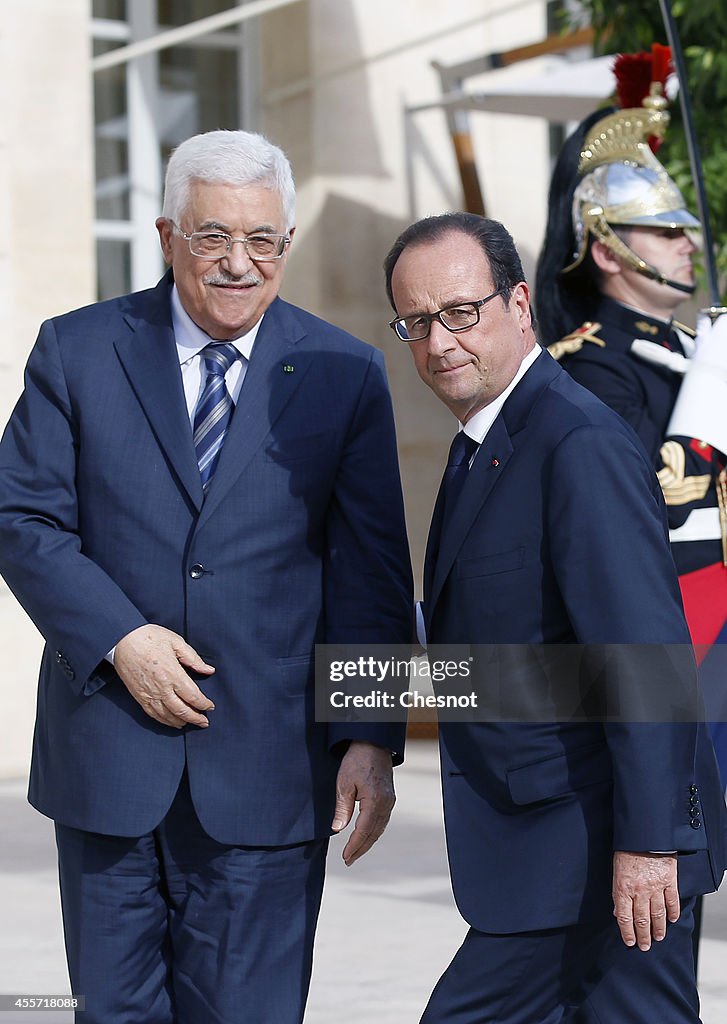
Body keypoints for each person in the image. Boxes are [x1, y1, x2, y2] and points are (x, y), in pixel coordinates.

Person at [0, 129, 413, 1024]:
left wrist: (372, 737)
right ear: (165, 236)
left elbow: (372, 575)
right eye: (212, 237)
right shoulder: (75, 351)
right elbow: (23, 519)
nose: (237, 262)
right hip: (109, 762)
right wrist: (120, 639)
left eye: (261, 240)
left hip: (272, 773)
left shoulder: (347, 373)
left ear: (286, 245)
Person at [383, 211, 726, 1024]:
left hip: (605, 856)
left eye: (461, 313)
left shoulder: (574, 441)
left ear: (520, 305)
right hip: (547, 858)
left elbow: (642, 654)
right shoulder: (485, 443)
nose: (439, 343)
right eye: (416, 323)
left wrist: (649, 846)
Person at [535, 79, 727, 954]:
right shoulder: (591, 370)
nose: (688, 246)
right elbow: (647, 508)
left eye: (686, 230)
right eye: (665, 230)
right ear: (607, 249)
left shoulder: (696, 353)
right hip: (677, 658)